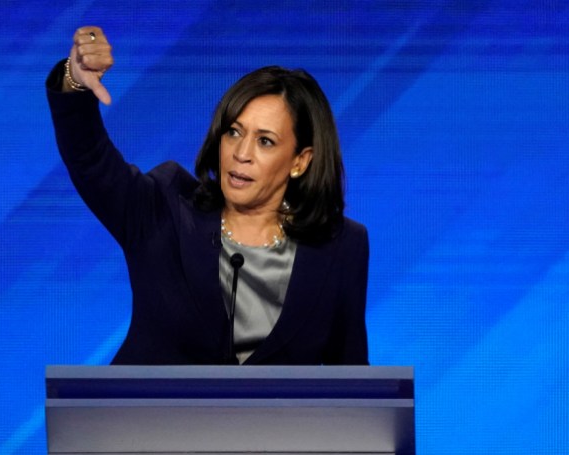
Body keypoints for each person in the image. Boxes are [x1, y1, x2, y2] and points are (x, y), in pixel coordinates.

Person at [46, 26, 369, 365]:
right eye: (234, 132)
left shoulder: (341, 247)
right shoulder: (165, 210)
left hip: (274, 421)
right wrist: (76, 81)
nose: (241, 153)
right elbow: (90, 160)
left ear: (300, 162)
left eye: (265, 141)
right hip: (147, 417)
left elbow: (350, 388)